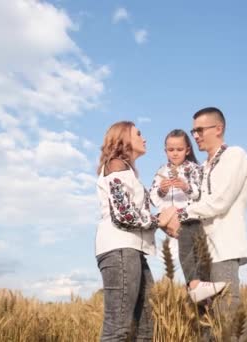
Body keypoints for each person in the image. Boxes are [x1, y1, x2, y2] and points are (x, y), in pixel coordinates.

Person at [162, 107, 247, 317]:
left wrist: (180, 215)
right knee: (205, 322)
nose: (195, 136)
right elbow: (195, 204)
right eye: (193, 131)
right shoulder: (202, 167)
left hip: (223, 249)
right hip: (200, 250)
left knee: (227, 318)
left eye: (200, 130)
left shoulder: (234, 155)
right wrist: (171, 222)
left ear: (218, 129)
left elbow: (220, 201)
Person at [95, 121, 165, 341]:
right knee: (118, 328)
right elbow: (123, 214)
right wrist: (159, 221)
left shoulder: (126, 171)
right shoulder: (116, 165)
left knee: (145, 326)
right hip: (120, 248)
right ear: (123, 139)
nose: (144, 138)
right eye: (138, 134)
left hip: (132, 250)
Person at [150, 129, 226, 302]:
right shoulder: (161, 171)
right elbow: (153, 197)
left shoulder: (193, 169)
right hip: (170, 220)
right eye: (171, 150)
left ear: (187, 150)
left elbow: (200, 194)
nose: (175, 153)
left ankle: (197, 285)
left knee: (195, 252)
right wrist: (162, 190)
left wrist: (186, 187)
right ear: (165, 151)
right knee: (187, 250)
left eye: (179, 149)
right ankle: (194, 283)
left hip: (189, 216)